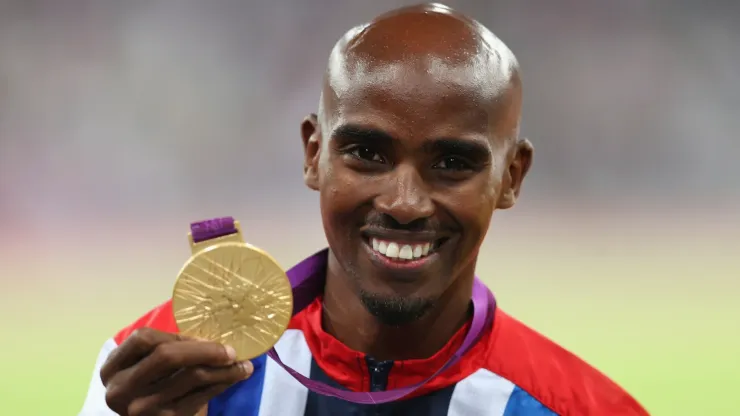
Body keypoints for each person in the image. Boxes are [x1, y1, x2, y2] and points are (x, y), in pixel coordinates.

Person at [79, 3, 649, 415]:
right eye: (367, 153)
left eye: (452, 163)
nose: (404, 204)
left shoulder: (581, 408)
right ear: (313, 154)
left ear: (511, 176)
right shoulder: (159, 373)